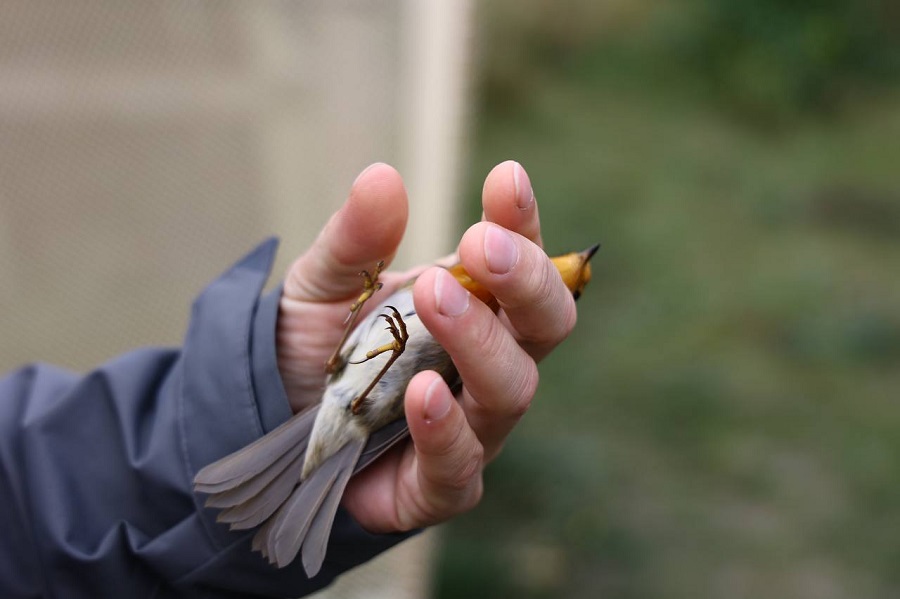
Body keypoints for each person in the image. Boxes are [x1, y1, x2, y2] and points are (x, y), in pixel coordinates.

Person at [0, 161, 579, 598]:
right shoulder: (468, 283)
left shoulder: (487, 312)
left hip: (359, 406)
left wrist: (272, 376)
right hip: (351, 393)